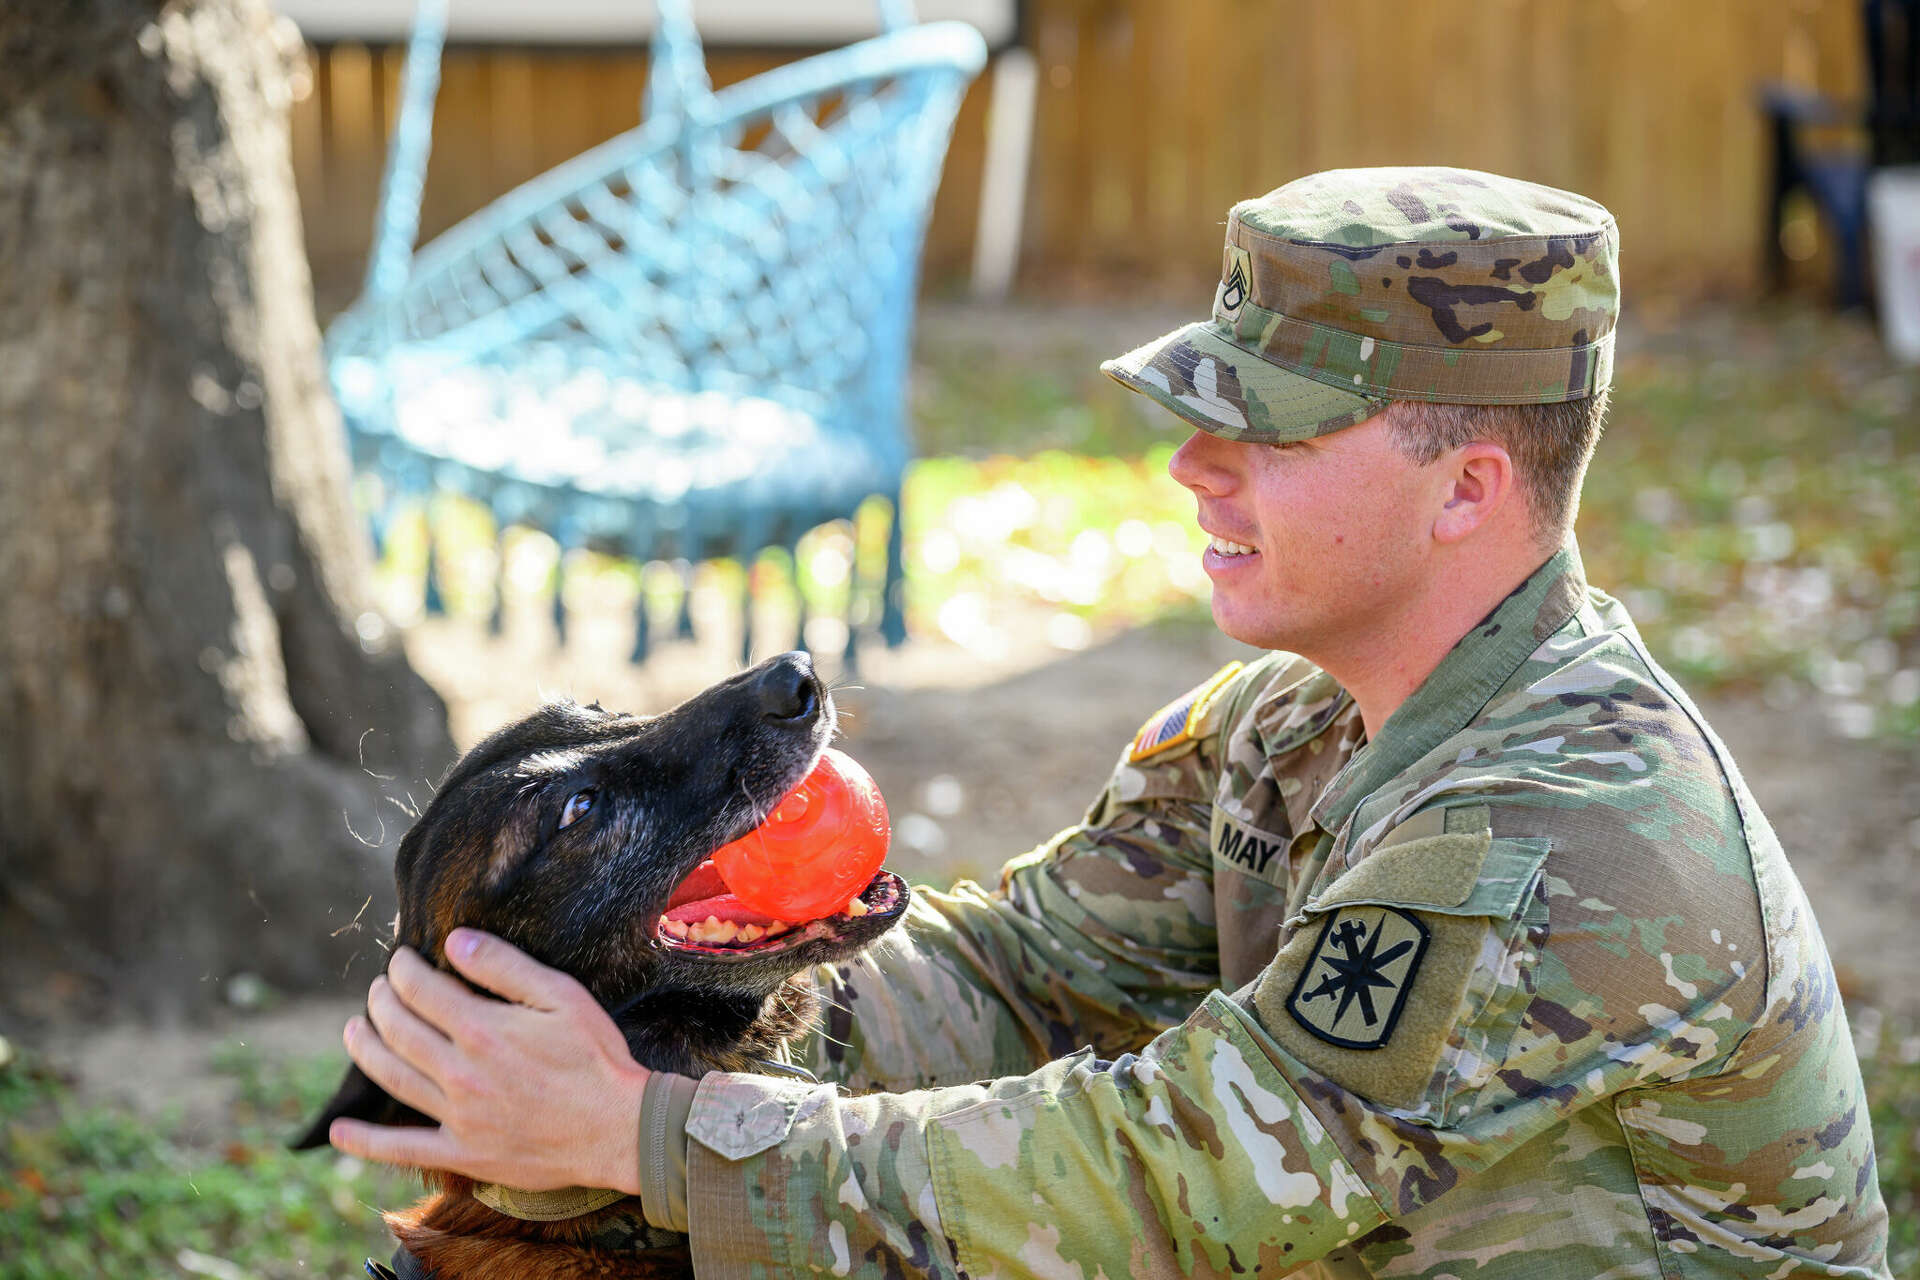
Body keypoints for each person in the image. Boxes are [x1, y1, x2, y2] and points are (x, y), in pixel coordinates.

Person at [328, 167, 1892, 1278]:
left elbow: (1173, 1181)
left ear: (1467, 488)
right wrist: (600, 1014)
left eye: (1264, 427)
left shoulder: (1567, 831)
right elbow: (1019, 974)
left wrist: (651, 1140)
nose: (1192, 468)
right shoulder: (1286, 724)